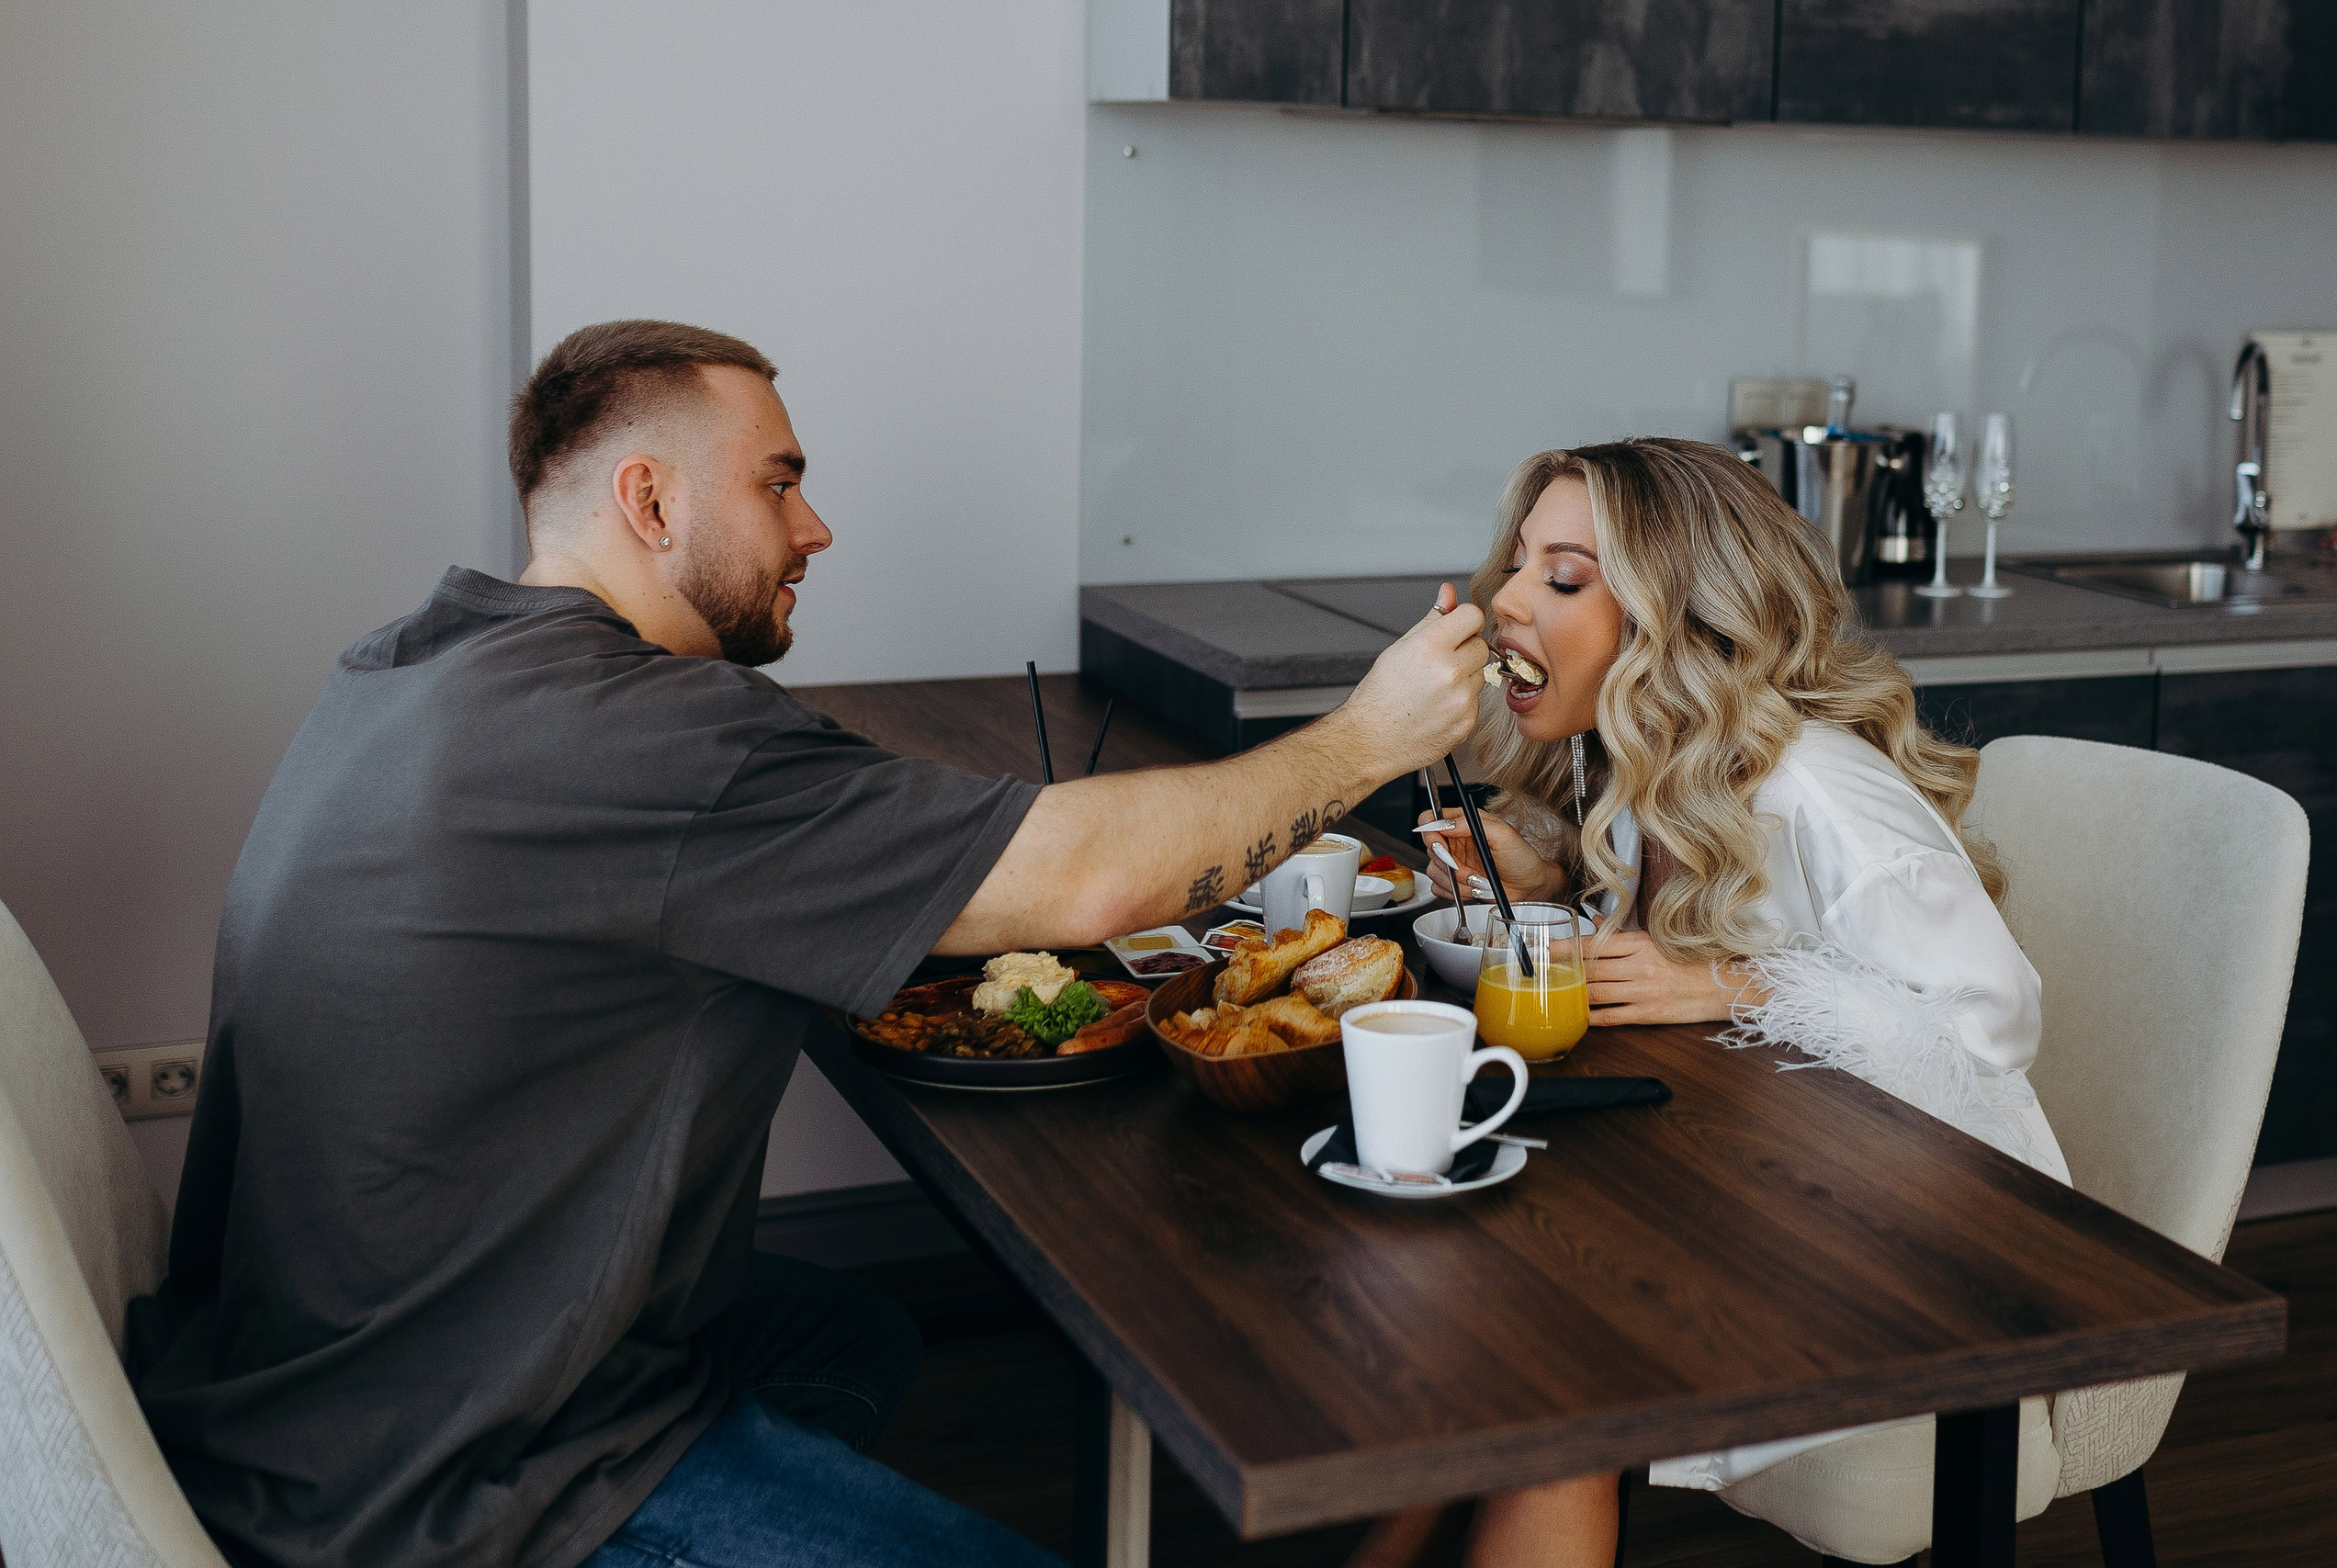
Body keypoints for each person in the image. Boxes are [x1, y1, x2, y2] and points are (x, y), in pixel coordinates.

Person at [126, 319, 1491, 1568]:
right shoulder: (652, 739)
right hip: (455, 1479)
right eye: (778, 483)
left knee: (850, 1335)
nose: (815, 526)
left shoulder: (413, 662)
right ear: (650, 502)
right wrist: (1370, 736)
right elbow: (1086, 886)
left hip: (293, 1378)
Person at [1351, 438, 2072, 1568]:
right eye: (1519, 564)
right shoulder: (1650, 759)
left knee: (1559, 1377)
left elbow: (1994, 1021)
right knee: (1486, 1285)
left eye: (1564, 578)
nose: (1506, 602)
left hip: (1927, 1239)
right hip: (1768, 1173)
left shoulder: (1818, 788)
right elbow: (1680, 926)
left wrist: (1734, 986)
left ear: (1675, 622)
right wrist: (1549, 872)